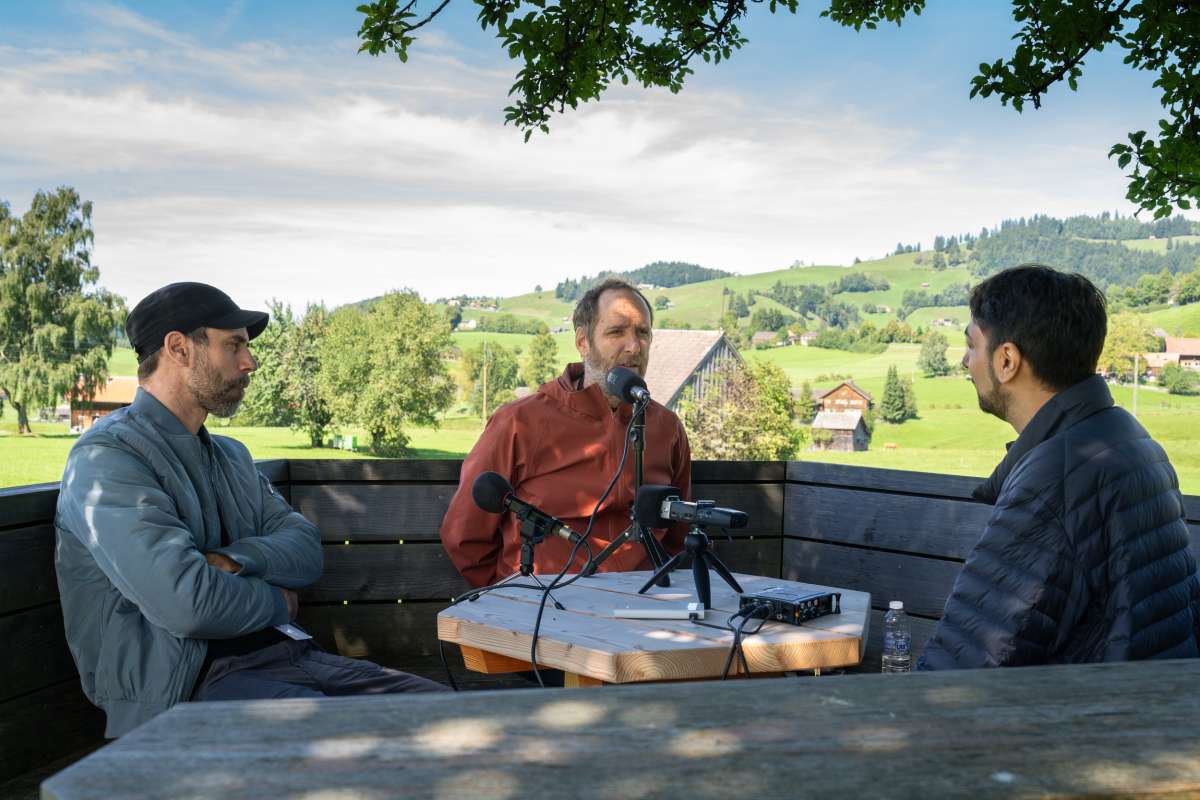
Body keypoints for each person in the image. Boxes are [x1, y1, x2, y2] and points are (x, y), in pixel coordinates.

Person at [55, 282, 444, 739]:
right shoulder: (108, 459)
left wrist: (236, 560)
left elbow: (305, 550)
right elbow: (188, 603)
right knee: (360, 747)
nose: (250, 361)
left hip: (290, 657)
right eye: (233, 345)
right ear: (179, 348)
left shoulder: (231, 457)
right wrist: (277, 601)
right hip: (191, 690)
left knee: (449, 715)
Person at [918, 265, 1200, 669]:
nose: (966, 362)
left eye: (972, 345)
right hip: (1152, 708)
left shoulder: (1055, 479)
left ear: (1008, 360)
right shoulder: (1130, 438)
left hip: (1090, 721)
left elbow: (971, 660)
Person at [440, 278, 693, 587]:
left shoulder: (666, 428)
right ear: (583, 342)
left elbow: (679, 535)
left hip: (640, 609)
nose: (634, 346)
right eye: (616, 332)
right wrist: (510, 600)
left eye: (643, 333)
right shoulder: (519, 422)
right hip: (544, 609)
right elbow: (465, 536)